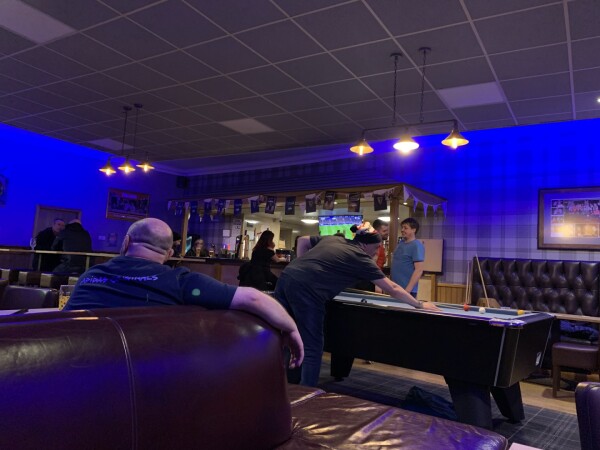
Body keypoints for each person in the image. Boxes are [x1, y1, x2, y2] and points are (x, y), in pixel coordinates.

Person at [64, 218, 303, 369]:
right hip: (144, 378)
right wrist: (292, 329)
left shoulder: (90, 276)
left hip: (72, 373)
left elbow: (64, 324)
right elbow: (253, 297)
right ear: (169, 254)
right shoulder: (179, 281)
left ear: (126, 242)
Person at [274, 222, 439, 387]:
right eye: (376, 247)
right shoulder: (361, 258)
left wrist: (300, 264)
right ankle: (307, 393)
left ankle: (284, 385)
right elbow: (392, 288)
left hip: (286, 279)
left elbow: (303, 240)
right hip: (307, 291)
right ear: (365, 244)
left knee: (289, 336)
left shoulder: (334, 239)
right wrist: (419, 305)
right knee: (313, 347)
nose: (377, 251)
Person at [391, 218, 425, 297]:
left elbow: (419, 270)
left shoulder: (416, 245)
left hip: (406, 290)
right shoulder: (401, 243)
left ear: (413, 230)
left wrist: (407, 291)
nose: (402, 230)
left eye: (405, 228)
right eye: (402, 227)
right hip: (395, 288)